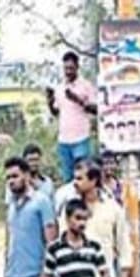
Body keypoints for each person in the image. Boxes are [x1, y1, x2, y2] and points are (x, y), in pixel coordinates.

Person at [47, 51, 98, 181]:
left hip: (81, 138)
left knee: (83, 175)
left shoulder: (86, 86)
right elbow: (56, 112)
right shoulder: (60, 88)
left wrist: (78, 100)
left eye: (71, 68)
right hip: (64, 140)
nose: (68, 72)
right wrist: (50, 101)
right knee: (68, 178)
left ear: (77, 67)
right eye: (66, 68)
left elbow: (96, 110)